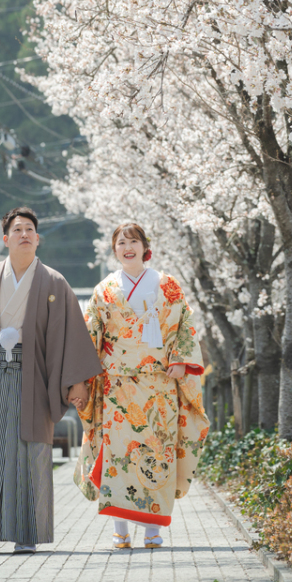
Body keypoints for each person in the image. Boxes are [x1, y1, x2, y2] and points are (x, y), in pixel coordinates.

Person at [0, 205, 102, 553]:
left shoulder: (54, 283)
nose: (24, 234)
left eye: (30, 229)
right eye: (17, 230)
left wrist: (77, 381)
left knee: (30, 452)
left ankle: (27, 533)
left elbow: (72, 336)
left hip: (34, 379)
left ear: (38, 238)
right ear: (5, 239)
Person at [74, 223, 209, 549]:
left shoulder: (168, 285)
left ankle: (152, 530)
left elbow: (184, 326)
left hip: (159, 385)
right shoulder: (103, 290)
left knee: (156, 455)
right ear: (114, 249)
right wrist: (80, 381)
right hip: (117, 389)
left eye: (133, 241)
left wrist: (179, 357)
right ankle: (120, 529)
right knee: (118, 458)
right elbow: (90, 336)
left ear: (145, 247)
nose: (127, 247)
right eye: (121, 242)